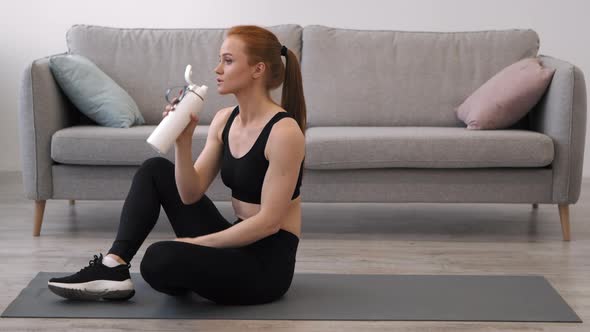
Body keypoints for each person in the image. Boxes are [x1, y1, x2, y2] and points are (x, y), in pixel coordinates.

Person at [47, 25, 307, 305]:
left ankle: (195, 269)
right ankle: (113, 267)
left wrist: (193, 245)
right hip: (236, 240)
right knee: (155, 170)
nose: (217, 68)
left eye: (228, 60)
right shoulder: (224, 120)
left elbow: (268, 224)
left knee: (158, 259)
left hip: (266, 265)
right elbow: (189, 194)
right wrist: (183, 141)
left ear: (258, 69)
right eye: (220, 59)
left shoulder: (284, 132)